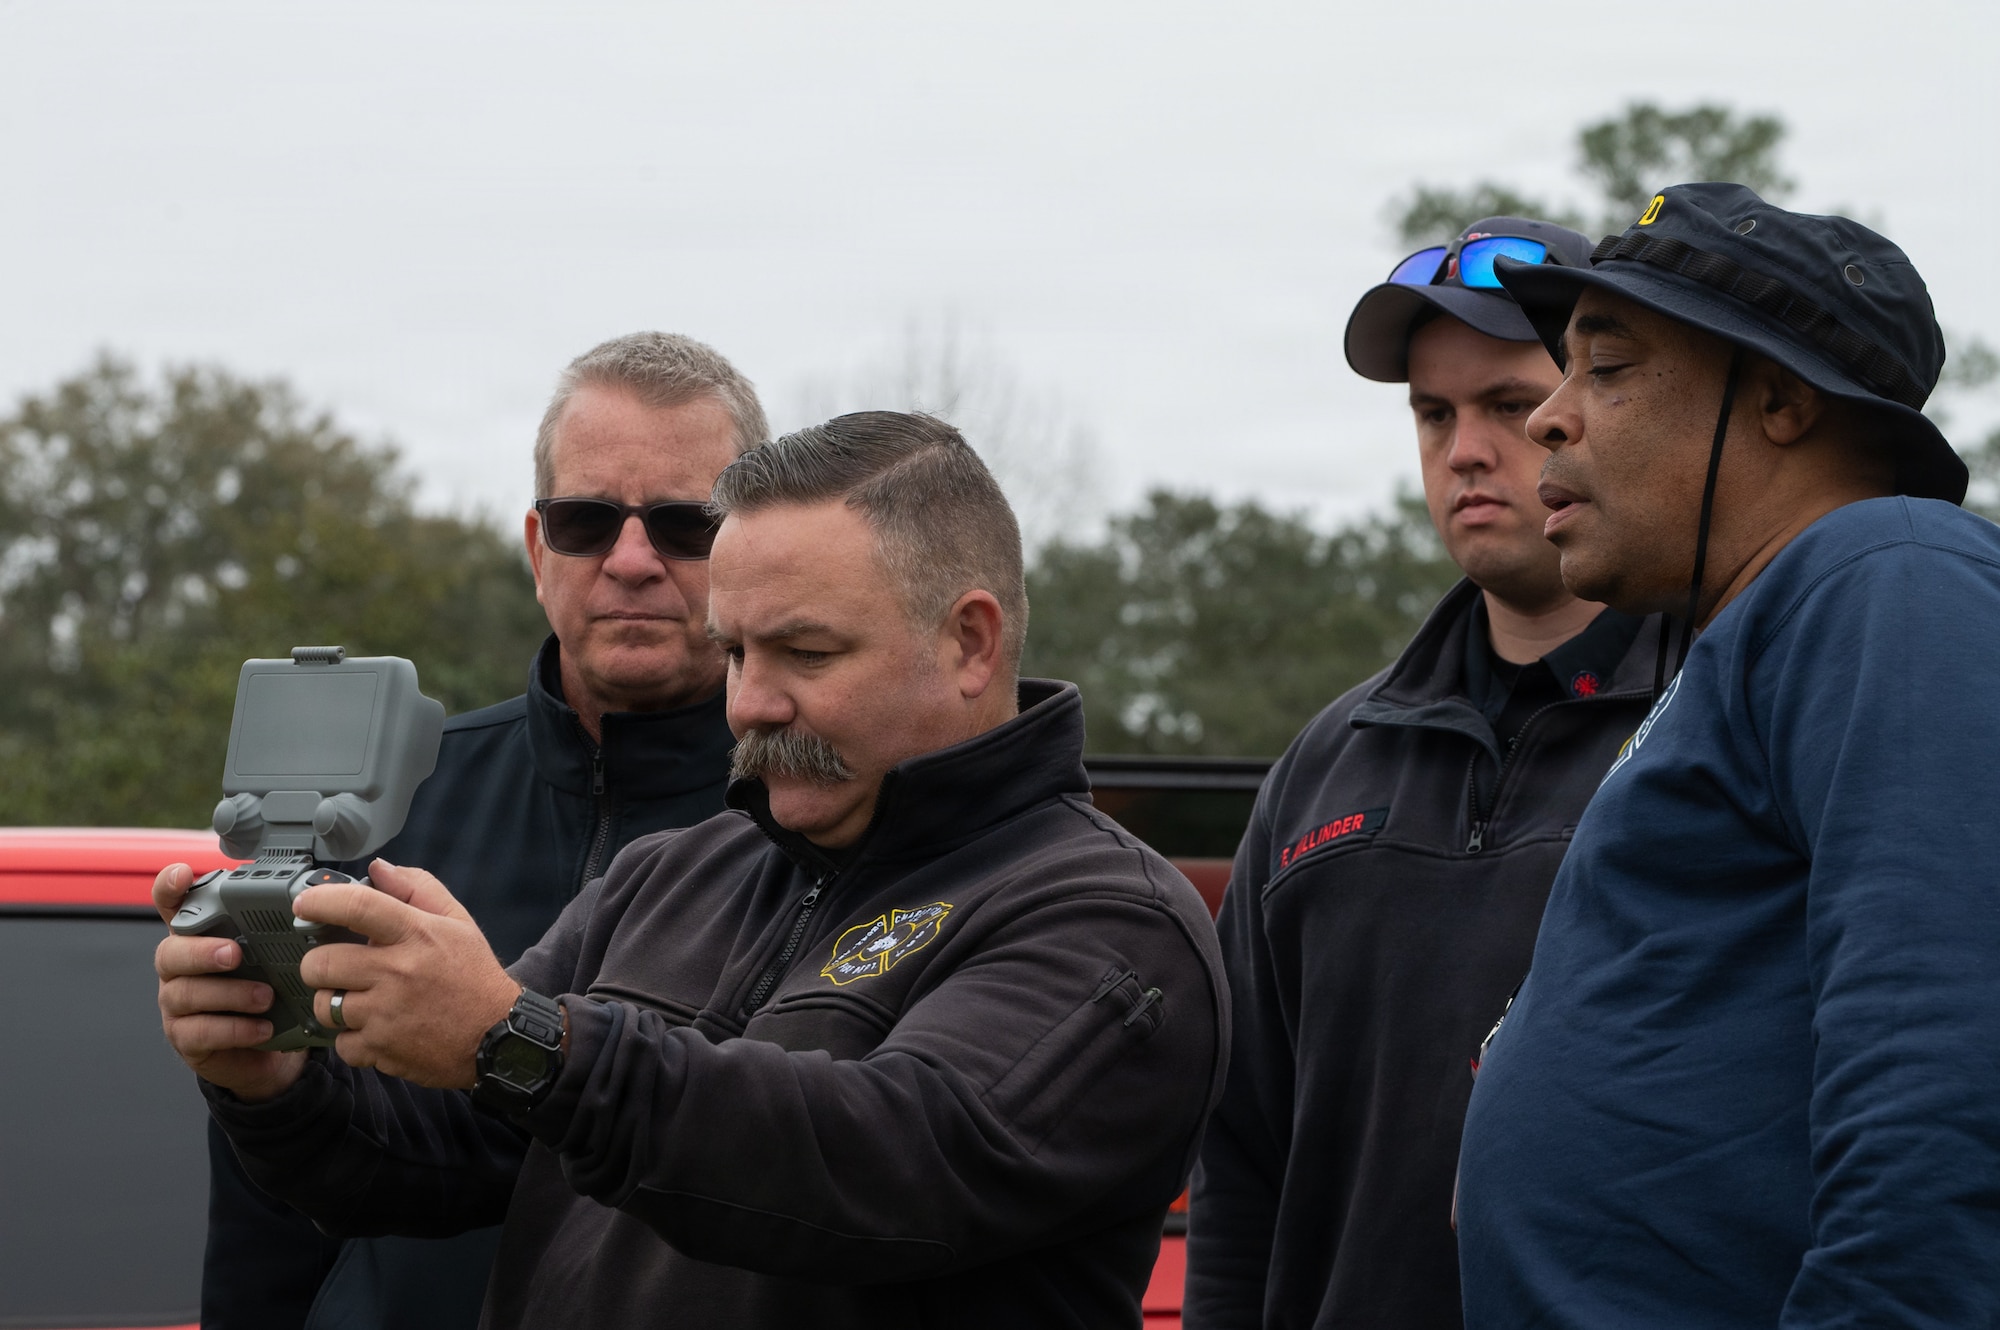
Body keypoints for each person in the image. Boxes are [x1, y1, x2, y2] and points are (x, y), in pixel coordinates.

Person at [157, 411, 1228, 1329]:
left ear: (969, 643)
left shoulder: (1107, 922)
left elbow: (881, 1164)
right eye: (736, 652)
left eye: (805, 654)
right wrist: (271, 1069)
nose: (751, 702)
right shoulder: (673, 873)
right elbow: (434, 1153)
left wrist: (511, 1035)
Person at [1457, 183, 2000, 1326]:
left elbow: (1948, 1066)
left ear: (1777, 399)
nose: (1547, 418)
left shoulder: (1886, 570)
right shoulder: (1750, 640)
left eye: (1603, 368)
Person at [200, 331, 762, 1330]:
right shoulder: (378, 812)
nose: (631, 560)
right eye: (588, 520)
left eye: (683, 525)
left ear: (752, 548)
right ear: (538, 547)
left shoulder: (820, 824)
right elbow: (268, 1196)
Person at [1184, 217, 1665, 1328]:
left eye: (1505, 404)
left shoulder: (1720, 725)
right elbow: (1240, 1155)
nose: (1463, 452)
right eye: (1431, 412)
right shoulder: (1320, 765)